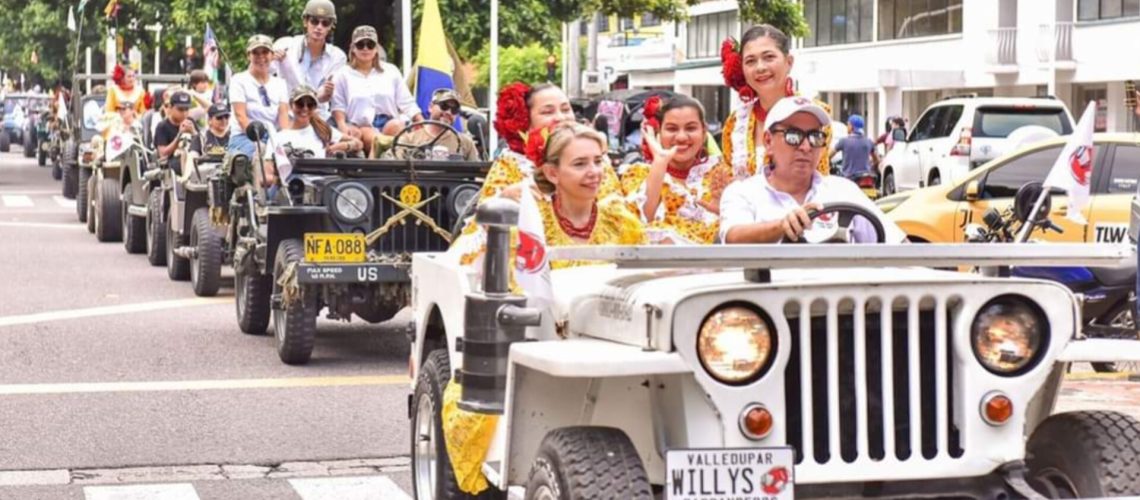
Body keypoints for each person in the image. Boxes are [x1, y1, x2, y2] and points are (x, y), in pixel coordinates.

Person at [719, 97, 906, 245]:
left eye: (815, 137)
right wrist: (781, 227)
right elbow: (733, 237)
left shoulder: (843, 190)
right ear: (768, 142)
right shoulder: (743, 193)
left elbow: (898, 245)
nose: (806, 146)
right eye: (794, 136)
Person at [714, 25, 834, 195]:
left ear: (789, 62)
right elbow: (728, 182)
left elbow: (820, 181)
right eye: (750, 61)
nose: (760, 67)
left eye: (768, 57)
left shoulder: (815, 115)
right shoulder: (735, 123)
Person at [478, 82, 622, 206]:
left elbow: (617, 210)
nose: (560, 118)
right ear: (525, 121)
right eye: (548, 112)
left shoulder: (593, 156)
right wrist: (505, 198)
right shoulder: (512, 163)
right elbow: (482, 226)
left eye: (566, 109)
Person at [620, 95, 723, 244]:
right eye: (672, 129)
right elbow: (641, 222)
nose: (681, 137)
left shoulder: (721, 173)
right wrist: (660, 162)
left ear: (704, 130)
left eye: (691, 128)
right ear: (659, 132)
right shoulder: (638, 174)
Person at [331, 25, 421, 154]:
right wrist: (343, 126)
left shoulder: (391, 71)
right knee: (376, 139)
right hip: (361, 126)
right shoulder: (342, 74)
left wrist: (422, 122)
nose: (365, 49)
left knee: (397, 126)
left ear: (376, 48)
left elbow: (406, 102)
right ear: (353, 48)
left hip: (389, 122)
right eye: (360, 44)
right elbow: (338, 106)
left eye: (370, 44)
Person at [263, 85, 363, 189]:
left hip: (321, 187)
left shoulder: (323, 130)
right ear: (291, 105)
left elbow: (358, 144)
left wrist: (342, 146)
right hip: (290, 188)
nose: (305, 108)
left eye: (310, 105)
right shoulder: (278, 137)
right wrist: (282, 181)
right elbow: (266, 176)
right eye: (300, 104)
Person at [272, 0, 346, 116]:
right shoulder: (285, 45)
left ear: (331, 26)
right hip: (285, 113)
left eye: (325, 23)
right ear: (305, 22)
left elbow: (324, 95)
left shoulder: (338, 57)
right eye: (314, 21)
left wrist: (325, 93)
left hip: (318, 114)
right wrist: (271, 59)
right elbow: (259, 75)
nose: (319, 27)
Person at [228, 34, 290, 159]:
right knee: (260, 154)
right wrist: (257, 139)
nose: (261, 57)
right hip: (245, 136)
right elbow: (240, 116)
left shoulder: (280, 83)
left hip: (272, 136)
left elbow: (283, 116)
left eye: (265, 52)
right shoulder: (238, 80)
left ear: (272, 55)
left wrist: (286, 139)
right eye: (255, 53)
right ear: (248, 56)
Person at [399, 88, 479, 161]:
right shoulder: (409, 140)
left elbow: (477, 172)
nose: (448, 112)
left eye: (454, 110)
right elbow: (394, 166)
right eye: (444, 106)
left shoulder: (465, 143)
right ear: (430, 107)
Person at [153, 91, 199, 174]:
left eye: (186, 109)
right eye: (180, 109)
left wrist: (194, 133)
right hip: (170, 166)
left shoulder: (191, 122)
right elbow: (163, 154)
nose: (184, 113)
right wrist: (179, 136)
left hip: (191, 161)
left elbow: (201, 147)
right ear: (170, 107)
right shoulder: (162, 126)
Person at [831, 114, 879, 180]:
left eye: (848, 124)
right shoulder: (869, 142)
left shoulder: (844, 141)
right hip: (866, 178)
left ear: (851, 127)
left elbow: (829, 155)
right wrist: (871, 168)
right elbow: (877, 161)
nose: (847, 127)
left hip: (848, 178)